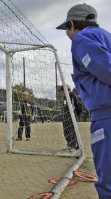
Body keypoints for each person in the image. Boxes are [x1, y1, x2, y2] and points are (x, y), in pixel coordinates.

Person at [56, 3, 111, 198]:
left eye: (66, 29)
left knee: (108, 183)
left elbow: (106, 69)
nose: (68, 34)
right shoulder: (106, 36)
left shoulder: (81, 39)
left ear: (72, 24)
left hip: (106, 115)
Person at [60, 85, 82, 152]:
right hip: (66, 116)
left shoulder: (73, 96)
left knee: (72, 131)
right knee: (66, 131)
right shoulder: (65, 97)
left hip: (71, 115)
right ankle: (69, 145)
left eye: (62, 90)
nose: (62, 92)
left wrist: (76, 114)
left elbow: (78, 106)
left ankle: (73, 147)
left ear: (67, 89)